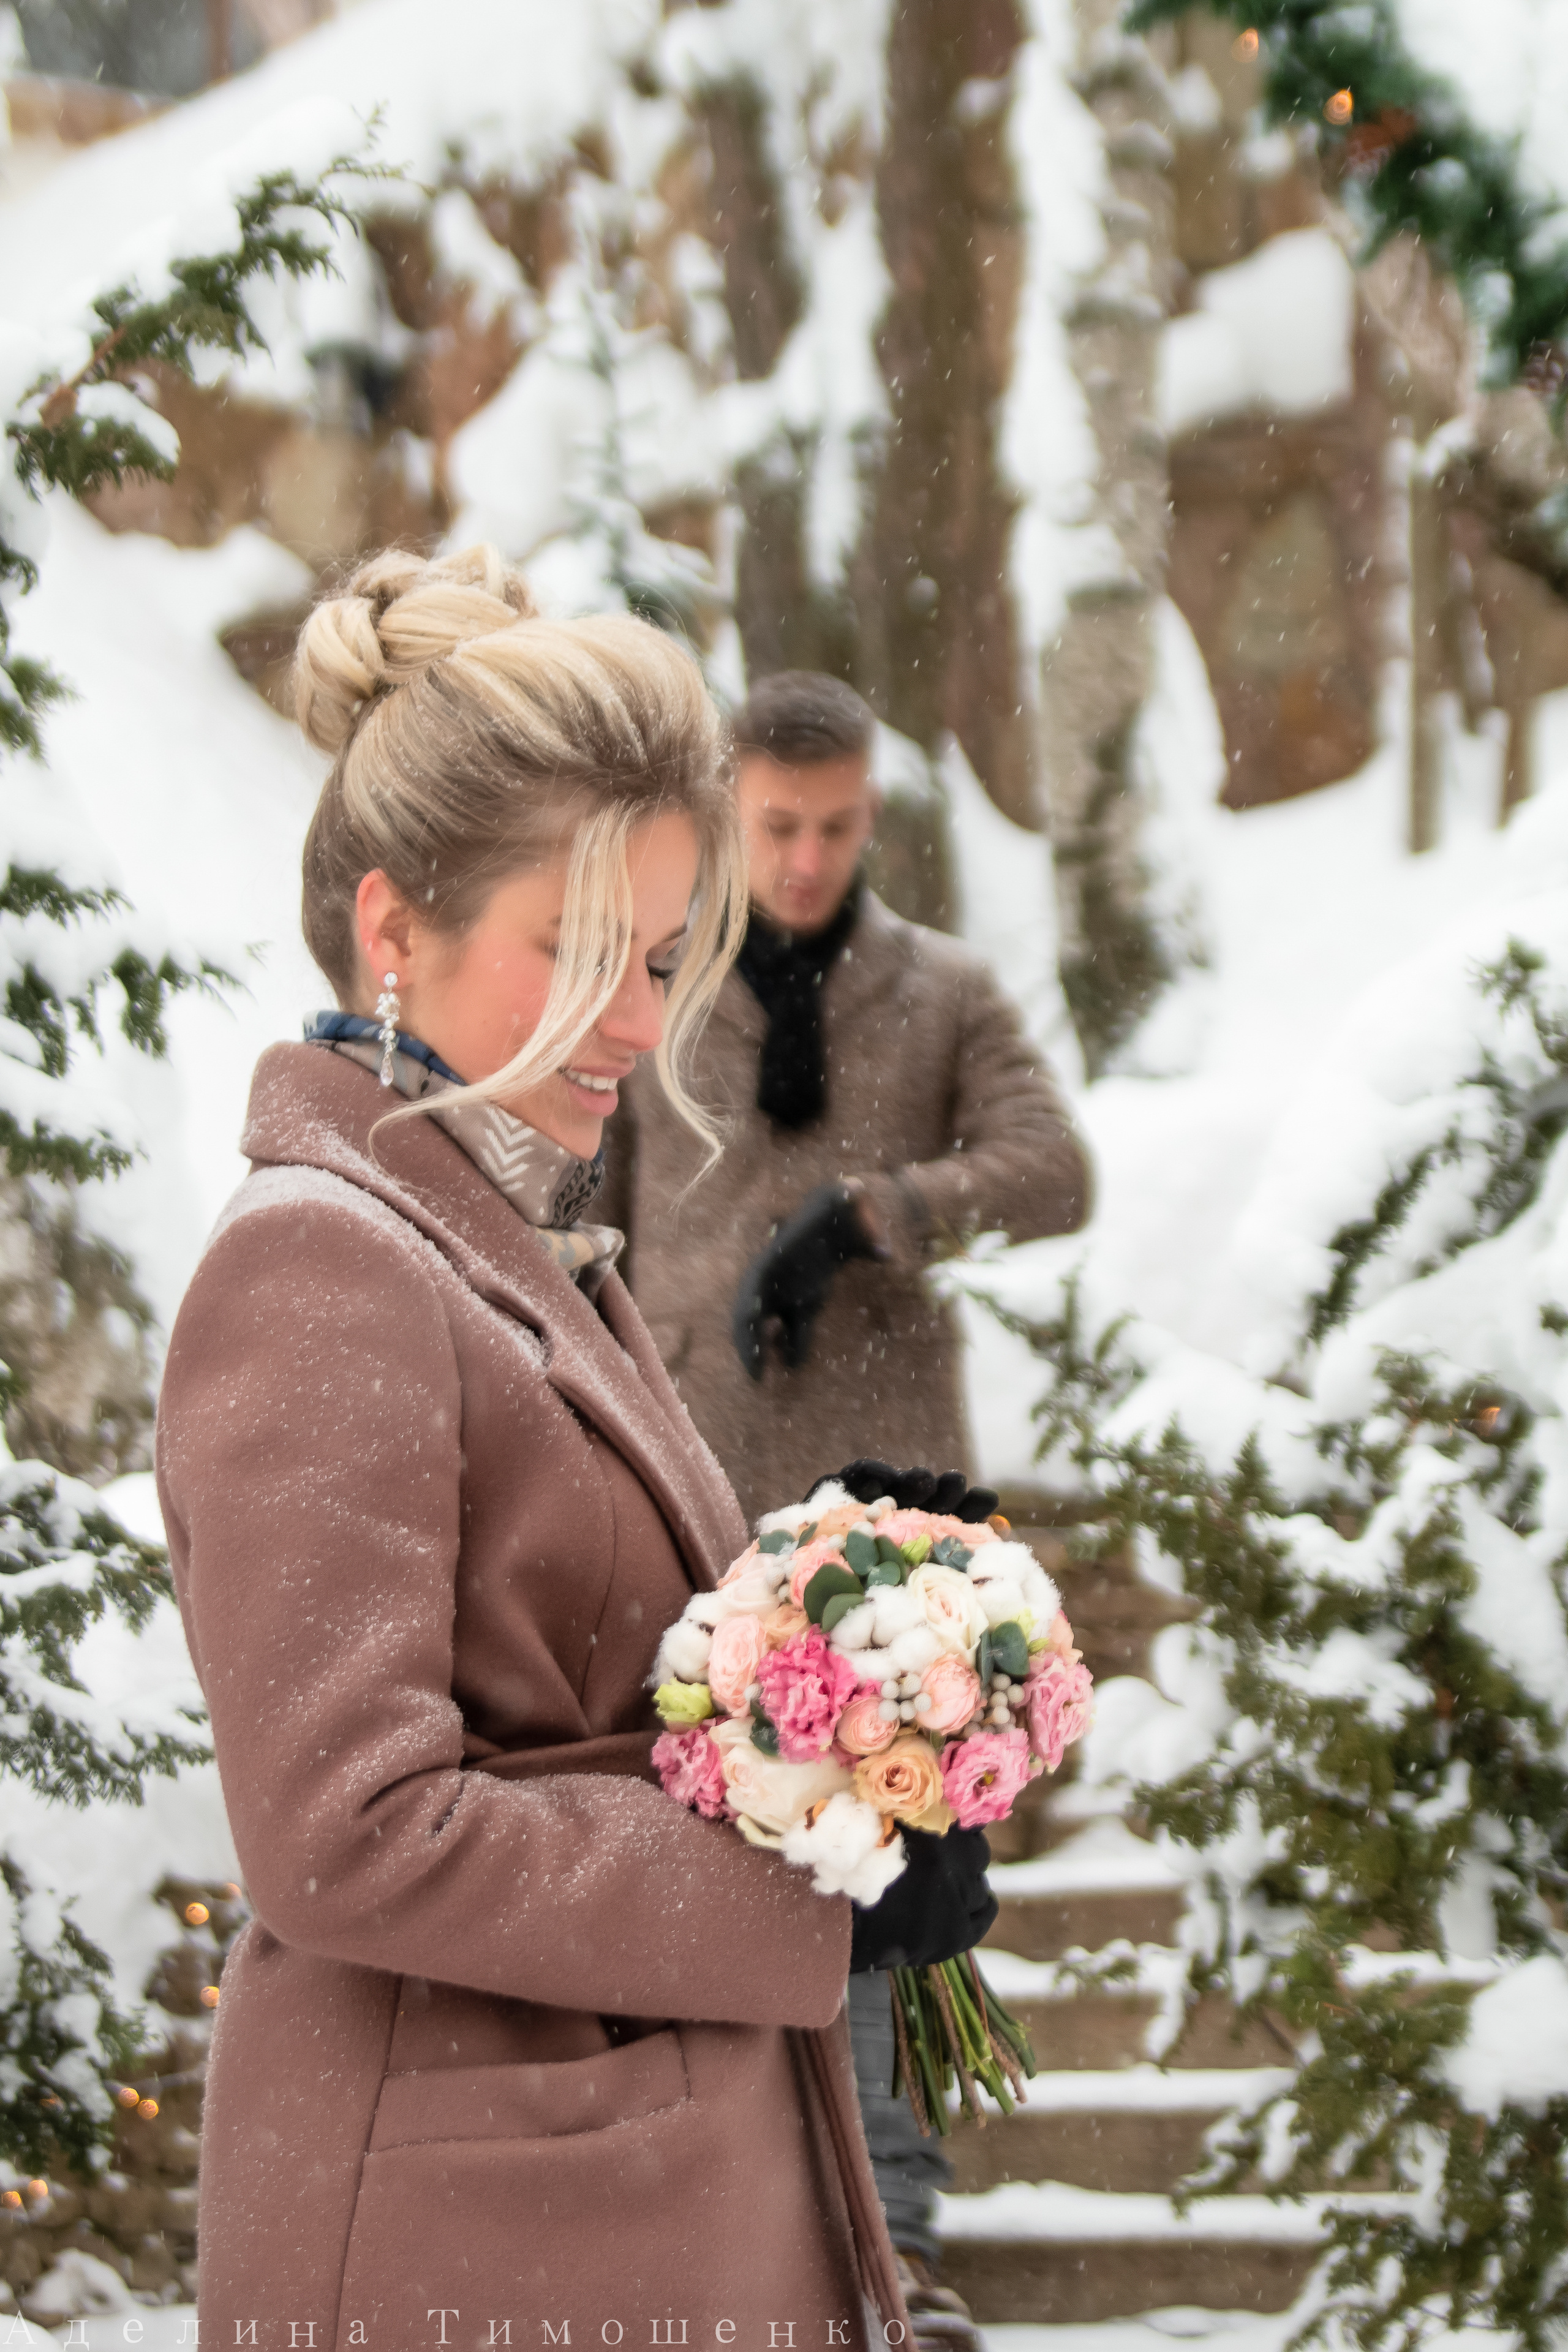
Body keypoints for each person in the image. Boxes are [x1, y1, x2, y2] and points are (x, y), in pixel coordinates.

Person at [153, 551, 997, 2352]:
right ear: (395, 930)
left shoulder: (509, 1237)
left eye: (667, 960)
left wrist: (847, 1655)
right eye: (585, 950)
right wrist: (808, 1893)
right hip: (479, 2238)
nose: (637, 1019)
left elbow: (590, 1677)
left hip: (607, 2214)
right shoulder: (326, 1265)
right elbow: (348, 1833)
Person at [601, 671, 1090, 2341]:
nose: (805, 861)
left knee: (896, 1869)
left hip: (888, 1516)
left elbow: (1054, 1166)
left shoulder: (942, 988)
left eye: (833, 826)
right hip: (686, 1484)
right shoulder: (652, 984)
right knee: (701, 1866)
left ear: (871, 808)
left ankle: (895, 2241)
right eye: (774, 828)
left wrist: (880, 1214)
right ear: (728, 815)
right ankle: (714, 2231)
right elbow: (577, 1205)